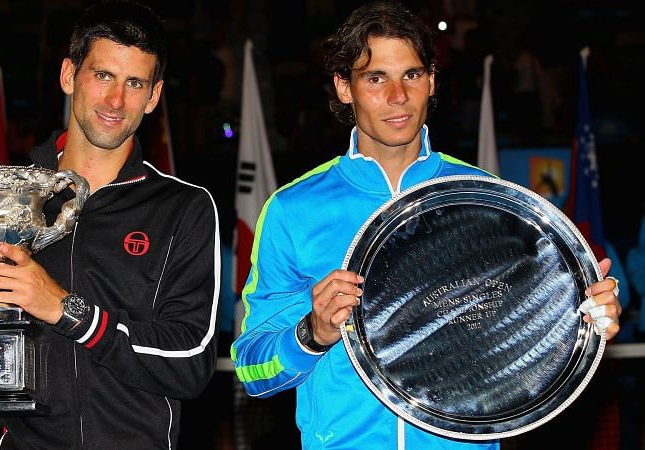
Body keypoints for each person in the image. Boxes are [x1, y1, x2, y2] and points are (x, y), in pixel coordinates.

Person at [230, 2, 622, 449]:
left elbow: (529, 334)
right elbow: (250, 370)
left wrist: (585, 320)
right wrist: (311, 334)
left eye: (412, 75)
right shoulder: (292, 209)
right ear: (344, 87)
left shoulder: (484, 197)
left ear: (432, 80)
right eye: (376, 78)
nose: (397, 97)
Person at [0, 1, 221, 448]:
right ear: (69, 75)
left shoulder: (183, 207)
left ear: (153, 96)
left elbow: (189, 363)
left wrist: (67, 311)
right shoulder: (2, 199)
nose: (115, 100)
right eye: (103, 75)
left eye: (134, 83)